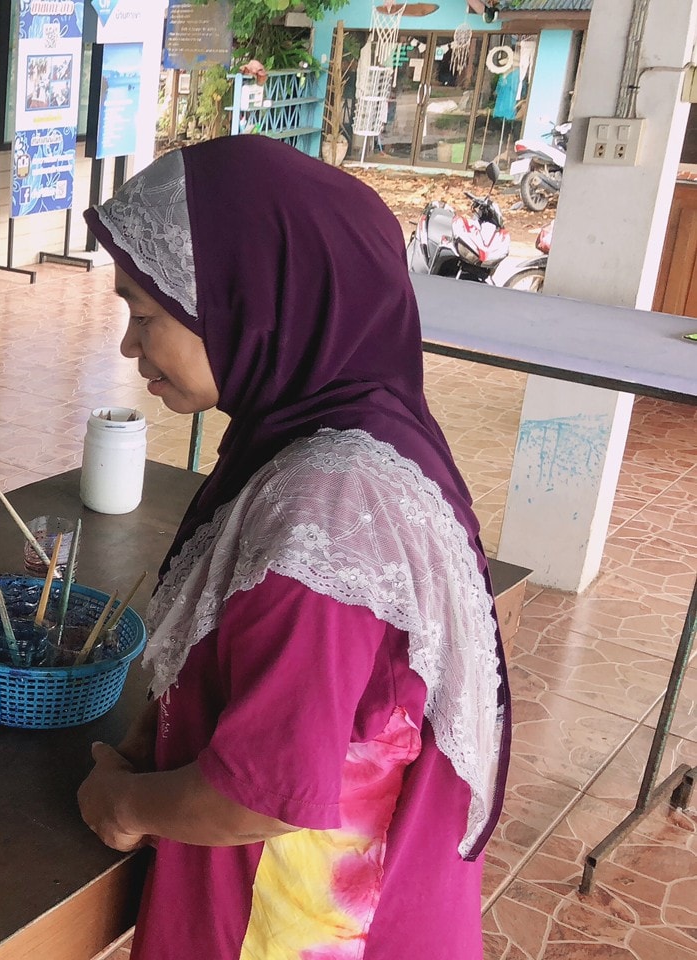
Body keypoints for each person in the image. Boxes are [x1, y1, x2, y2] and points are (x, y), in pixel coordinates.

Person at [76, 136, 510, 958]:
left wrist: (124, 805)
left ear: (255, 302)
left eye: (147, 315)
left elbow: (265, 792)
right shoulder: (359, 430)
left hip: (292, 927)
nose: (131, 349)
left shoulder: (324, 525)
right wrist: (156, 736)